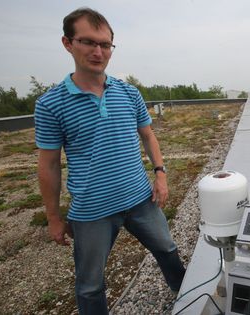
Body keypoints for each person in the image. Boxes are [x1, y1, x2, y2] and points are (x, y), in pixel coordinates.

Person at [35, 7, 185, 314]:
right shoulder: (50, 104)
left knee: (168, 250)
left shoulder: (129, 93)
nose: (98, 51)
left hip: (141, 200)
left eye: (105, 44)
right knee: (90, 285)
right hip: (91, 212)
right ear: (68, 43)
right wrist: (53, 217)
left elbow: (148, 135)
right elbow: (48, 165)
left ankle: (185, 294)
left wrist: (160, 174)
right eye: (88, 42)